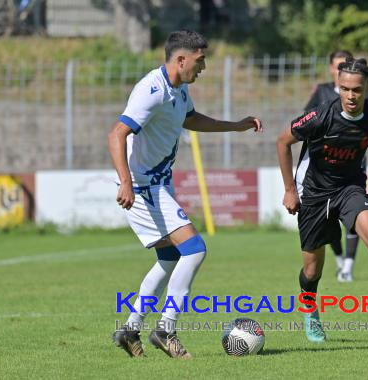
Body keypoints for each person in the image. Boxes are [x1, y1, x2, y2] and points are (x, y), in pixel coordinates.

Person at [108, 30, 263, 358]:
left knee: (169, 259)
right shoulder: (151, 90)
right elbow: (117, 134)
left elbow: (192, 120)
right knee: (194, 248)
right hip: (143, 186)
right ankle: (165, 329)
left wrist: (236, 125)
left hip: (159, 183)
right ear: (181, 59)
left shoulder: (178, 90)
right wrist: (124, 182)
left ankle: (130, 329)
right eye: (200, 59)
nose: (204, 66)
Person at [276, 57, 368, 343]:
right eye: (344, 89)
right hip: (314, 192)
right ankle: (311, 313)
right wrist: (290, 189)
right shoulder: (320, 116)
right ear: (338, 87)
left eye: (357, 89)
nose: (350, 96)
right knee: (312, 269)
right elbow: (282, 142)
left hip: (350, 188)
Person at [305, 50, 368, 283]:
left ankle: (348, 265)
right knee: (328, 217)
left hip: (354, 161)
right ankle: (338, 258)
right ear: (331, 69)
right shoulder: (322, 92)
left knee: (356, 213)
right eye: (337, 67)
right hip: (325, 164)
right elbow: (306, 118)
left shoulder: (364, 92)